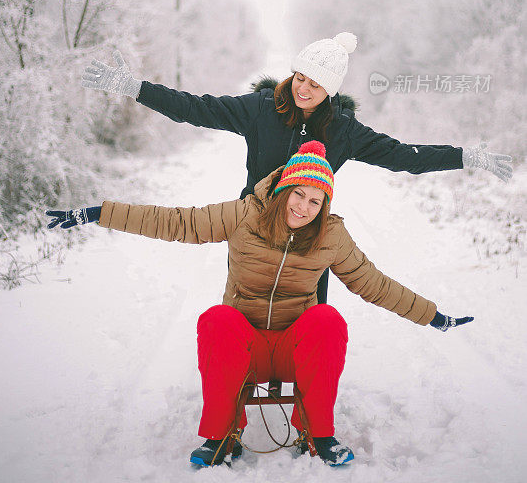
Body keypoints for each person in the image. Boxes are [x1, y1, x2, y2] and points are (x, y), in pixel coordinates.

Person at [47, 141, 474, 468]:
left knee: (327, 319)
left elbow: (373, 283)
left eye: (316, 200)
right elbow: (174, 221)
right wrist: (98, 212)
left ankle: (319, 435)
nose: (304, 207)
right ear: (283, 187)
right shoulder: (243, 215)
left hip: (292, 349)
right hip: (243, 348)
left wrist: (432, 316)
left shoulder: (331, 236)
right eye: (299, 194)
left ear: (325, 204)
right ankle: (220, 437)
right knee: (217, 319)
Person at [81, 33, 513, 302]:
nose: (305, 88)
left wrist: (465, 156)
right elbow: (195, 108)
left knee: (308, 319)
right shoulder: (260, 109)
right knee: (246, 311)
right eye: (301, 76)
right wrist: (133, 87)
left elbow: (403, 157)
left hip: (310, 236)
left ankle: (309, 400)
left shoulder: (343, 130)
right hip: (253, 226)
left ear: (331, 89)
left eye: (317, 83)